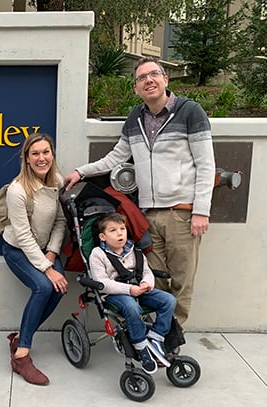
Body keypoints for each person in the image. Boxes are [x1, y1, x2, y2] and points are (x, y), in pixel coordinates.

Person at [64, 57, 215, 324]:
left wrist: (201, 210)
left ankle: (172, 336)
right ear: (136, 88)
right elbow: (115, 158)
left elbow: (206, 165)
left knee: (182, 279)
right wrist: (81, 172)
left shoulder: (190, 112)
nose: (148, 80)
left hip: (182, 212)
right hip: (148, 215)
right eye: (141, 78)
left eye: (154, 74)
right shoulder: (135, 119)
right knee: (154, 277)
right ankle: (158, 329)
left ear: (165, 79)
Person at [2, 133, 68, 386]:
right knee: (43, 286)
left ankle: (20, 337)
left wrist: (51, 252)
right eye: (35, 154)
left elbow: (61, 222)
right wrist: (47, 268)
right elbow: (23, 235)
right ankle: (21, 356)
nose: (42, 158)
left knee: (59, 289)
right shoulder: (17, 190)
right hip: (18, 250)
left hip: (44, 251)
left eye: (46, 152)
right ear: (27, 159)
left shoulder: (57, 182)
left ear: (52, 154)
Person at [89, 212, 176, 374]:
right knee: (132, 307)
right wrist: (130, 290)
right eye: (113, 230)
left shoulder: (135, 251)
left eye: (122, 229)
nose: (120, 233)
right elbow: (103, 283)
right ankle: (140, 346)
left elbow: (147, 272)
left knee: (168, 300)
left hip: (139, 289)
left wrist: (146, 284)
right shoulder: (98, 254)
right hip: (115, 293)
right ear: (103, 236)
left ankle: (156, 337)